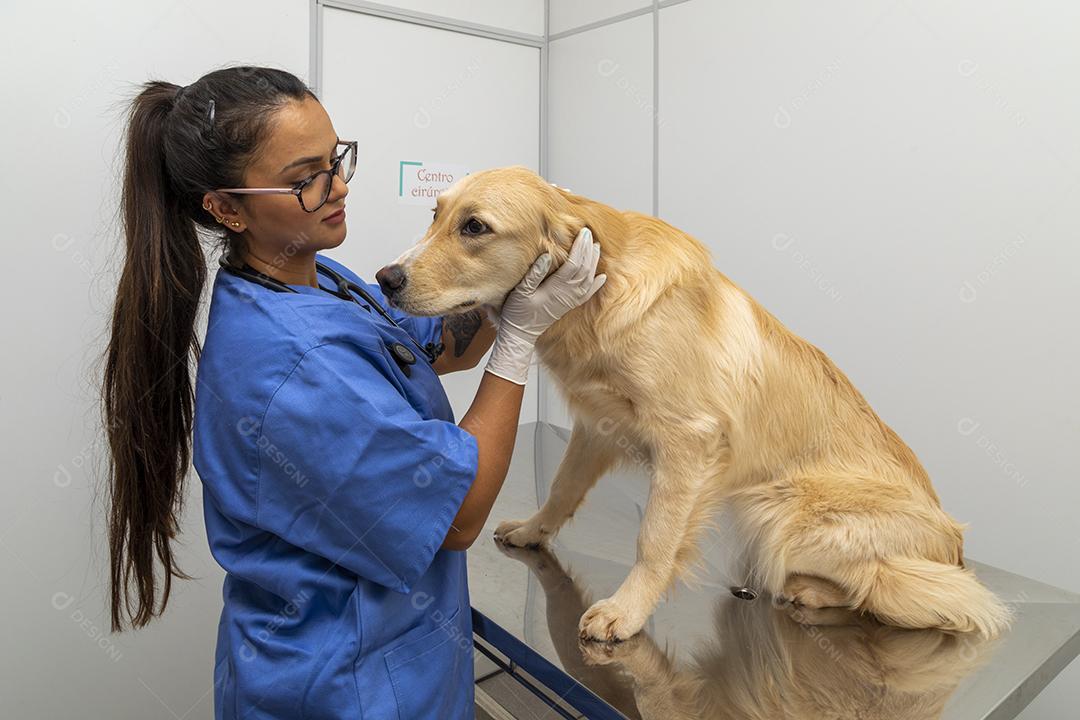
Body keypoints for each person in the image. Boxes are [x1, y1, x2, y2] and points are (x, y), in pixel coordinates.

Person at [100, 65, 605, 719]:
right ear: (225, 208)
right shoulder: (288, 370)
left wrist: (514, 278)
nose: (337, 187)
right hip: (344, 685)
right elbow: (459, 517)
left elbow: (432, 343)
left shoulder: (313, 280)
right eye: (305, 178)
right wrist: (517, 344)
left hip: (398, 655)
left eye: (335, 159)